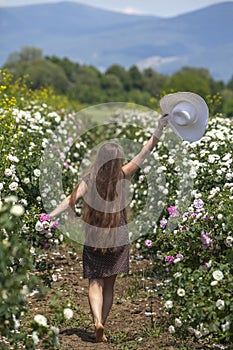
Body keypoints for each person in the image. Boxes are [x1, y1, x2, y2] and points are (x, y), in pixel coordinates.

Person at [48, 113, 168, 343]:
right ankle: (102, 323)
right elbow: (145, 151)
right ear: (118, 160)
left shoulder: (89, 178)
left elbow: (70, 200)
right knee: (110, 284)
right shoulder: (124, 174)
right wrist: (159, 127)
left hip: (95, 235)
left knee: (95, 281)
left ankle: (96, 322)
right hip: (118, 234)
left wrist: (49, 215)